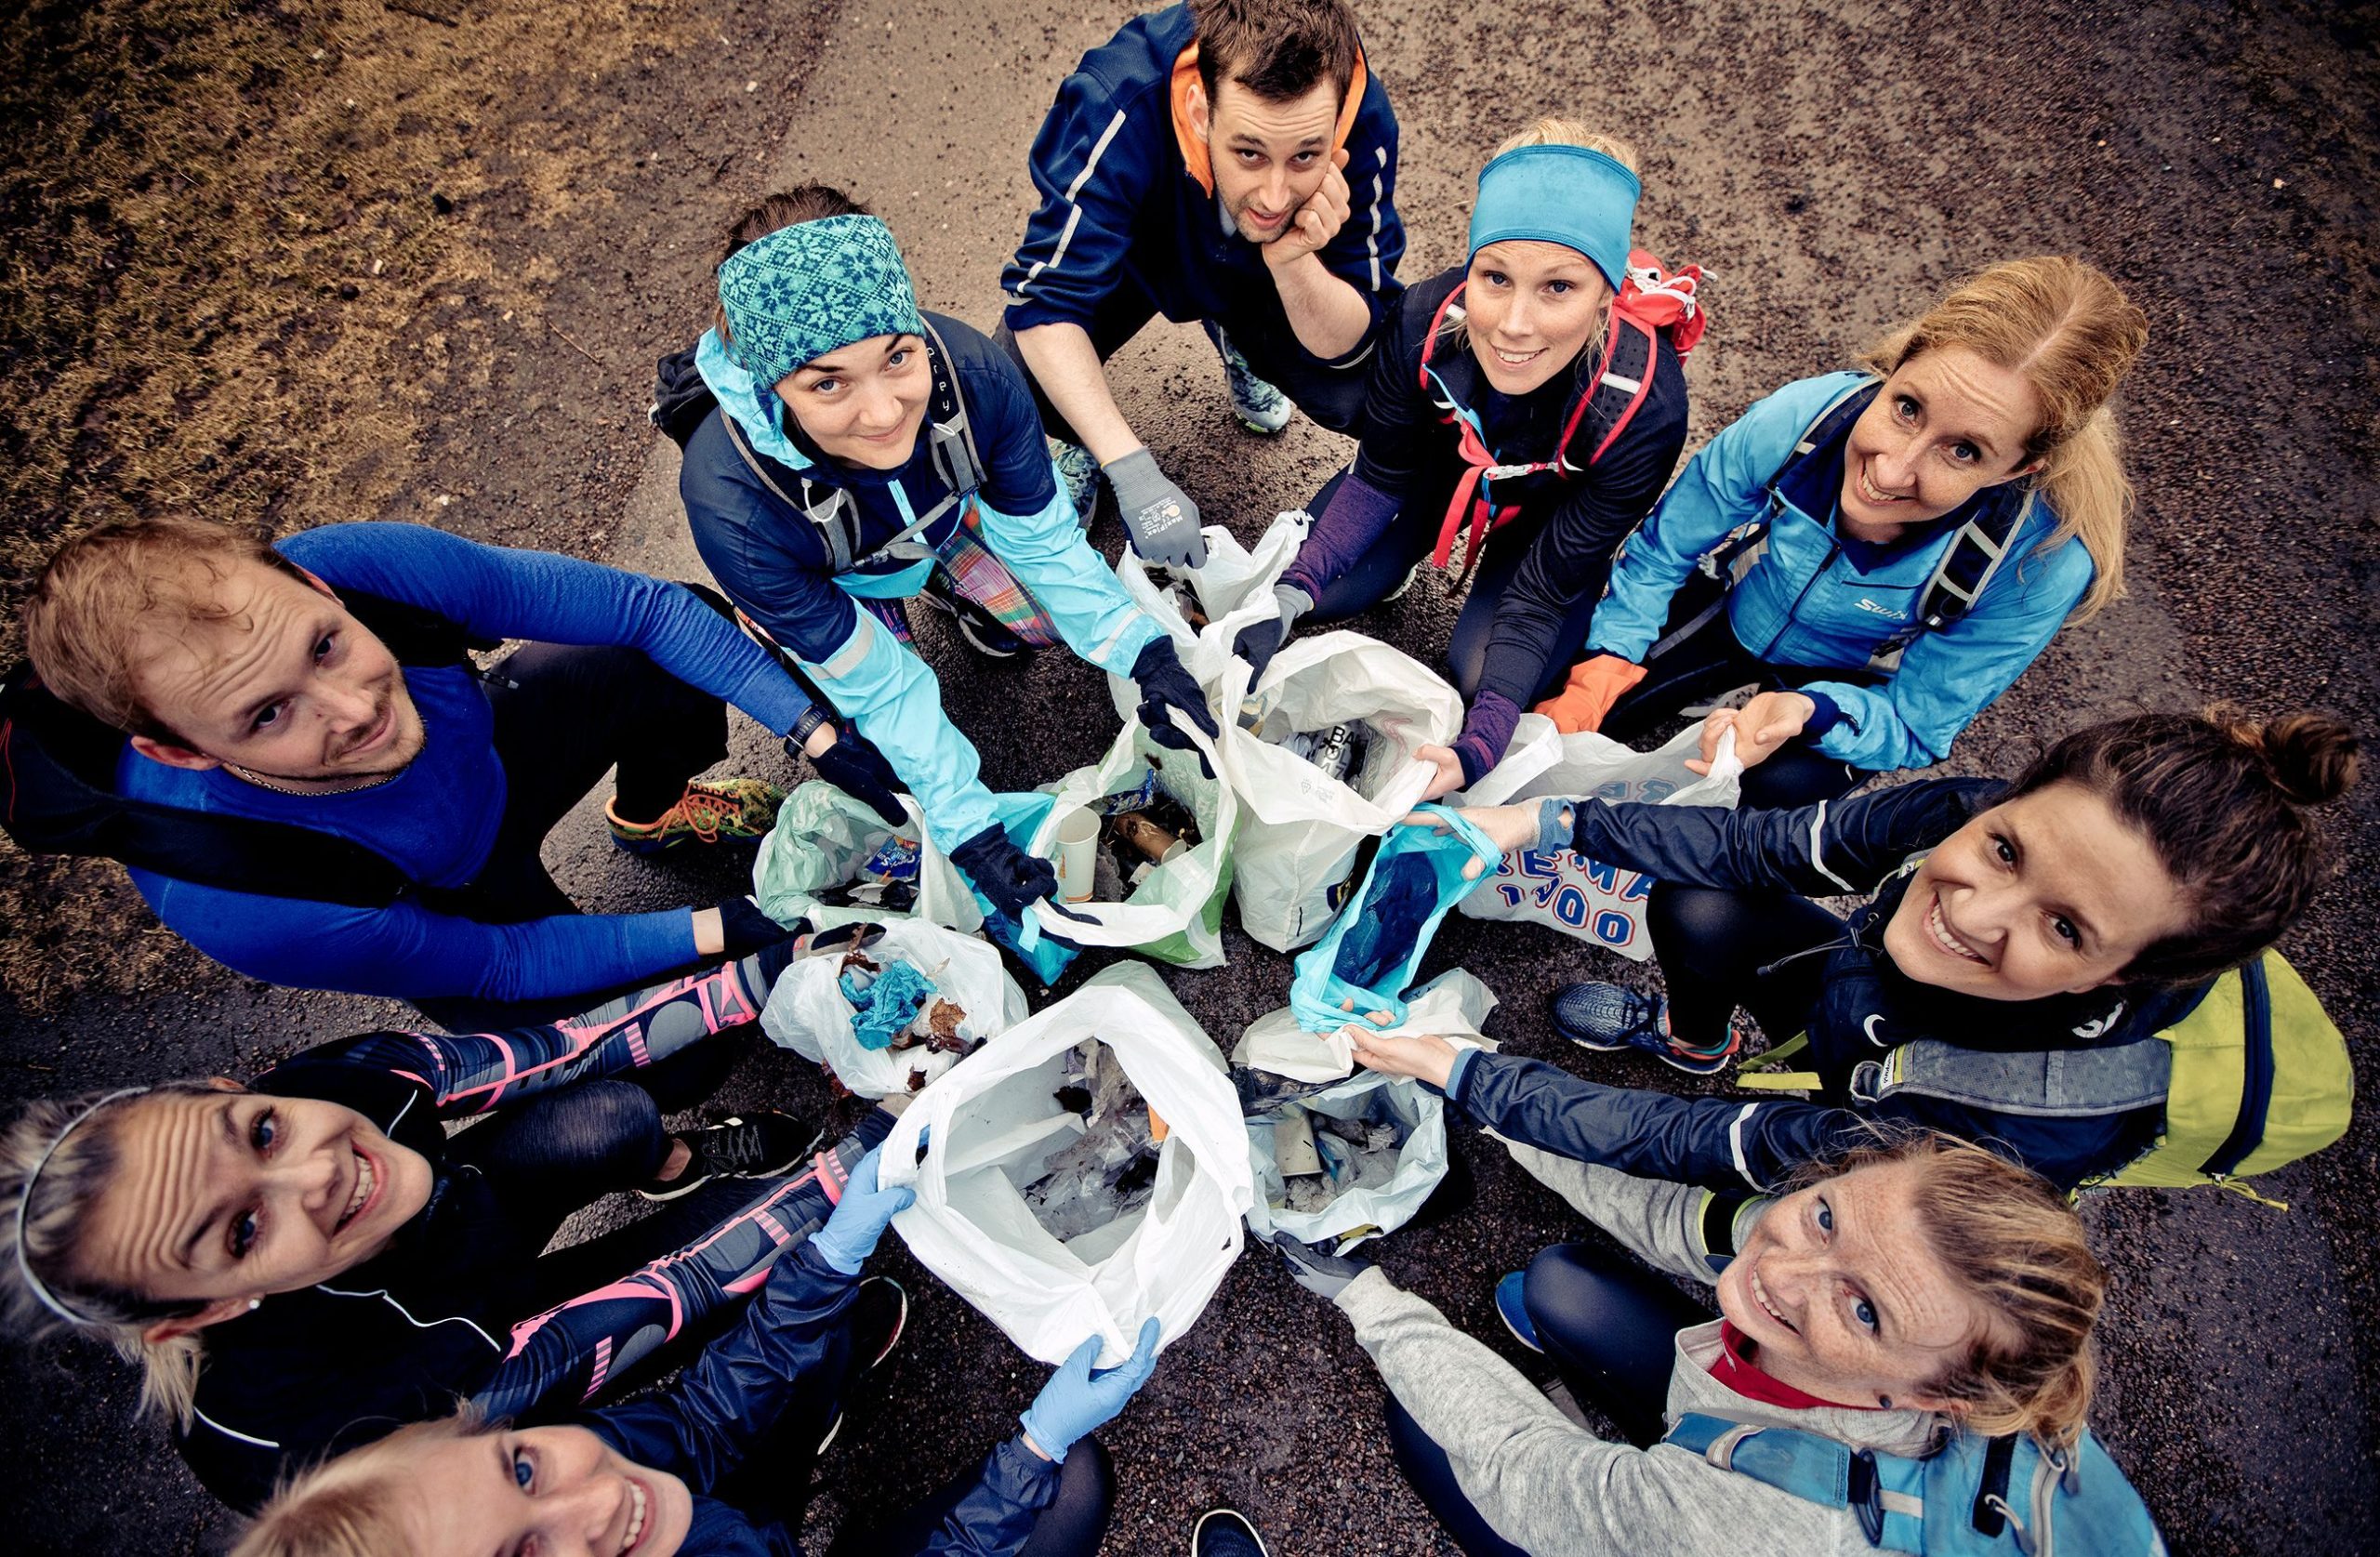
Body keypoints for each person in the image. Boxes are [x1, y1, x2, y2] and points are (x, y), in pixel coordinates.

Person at [0, 942, 894, 1511]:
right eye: (241, 1232)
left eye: (262, 1132)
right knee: (734, 1307)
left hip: (452, 1251)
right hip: (473, 1367)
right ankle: (809, 1388)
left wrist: (785, 964)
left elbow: (564, 1049)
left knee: (613, 1114)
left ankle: (680, 1168)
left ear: (227, 1092)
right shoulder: (294, 1434)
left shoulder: (328, 1080)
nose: (318, 1171)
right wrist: (873, 1155)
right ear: (195, 1317)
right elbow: (649, 1302)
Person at [11, 516, 900, 1030]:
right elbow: (503, 963)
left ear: (319, 589)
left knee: (662, 652)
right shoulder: (238, 898)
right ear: (180, 751)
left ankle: (651, 810)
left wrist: (817, 732)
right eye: (268, 713)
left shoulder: (368, 572)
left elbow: (647, 609)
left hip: (490, 767)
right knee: (673, 1045)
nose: (353, 708)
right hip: (443, 900)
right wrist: (730, 923)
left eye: (326, 645)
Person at [1410, 706, 2358, 1188]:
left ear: (2122, 975)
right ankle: (1698, 1041)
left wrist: (1463, 1072)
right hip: (1865, 1012)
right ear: (2011, 796)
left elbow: (1696, 1138)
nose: (1976, 914)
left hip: (1924, 1098)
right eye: (2004, 849)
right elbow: (1759, 846)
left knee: (1796, 1195)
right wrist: (1544, 818)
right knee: (1706, 900)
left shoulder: (2011, 1127)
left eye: (2062, 927)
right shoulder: (1965, 805)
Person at [668, 186, 1220, 922]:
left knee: (1048, 622)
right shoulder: (732, 503)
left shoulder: (976, 376)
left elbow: (1049, 546)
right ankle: (914, 600)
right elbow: (884, 687)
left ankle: (949, 588)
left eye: (896, 357)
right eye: (826, 382)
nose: (883, 412)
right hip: (838, 581)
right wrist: (968, 825)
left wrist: (1143, 652)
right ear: (774, 385)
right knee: (888, 744)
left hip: (937, 521)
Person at [229, 1145, 1160, 1557]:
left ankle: (814, 1419)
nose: (598, 1498)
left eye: (522, 1465)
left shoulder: (592, 1479)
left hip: (727, 1526)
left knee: (804, 1339)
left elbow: (701, 1416)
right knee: (1069, 1484)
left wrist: (826, 1259)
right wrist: (1030, 1449)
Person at [1275, 1131, 2147, 1556]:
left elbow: (1522, 1468)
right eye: (1825, 1212)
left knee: (1432, 1430)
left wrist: (1368, 1297)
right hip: (1764, 1450)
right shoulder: (1971, 1336)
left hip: (1729, 1519)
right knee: (1563, 1282)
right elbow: (1673, 1217)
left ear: (1929, 1398)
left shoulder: (1759, 1528)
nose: (1787, 1266)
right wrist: (1492, 1098)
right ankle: (1664, 1424)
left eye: (1866, 1311)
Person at [1535, 256, 2148, 809]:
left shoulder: (2037, 565)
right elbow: (1667, 548)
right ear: (1901, 361)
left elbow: (1916, 721)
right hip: (1734, 610)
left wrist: (1813, 710)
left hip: (1846, 682)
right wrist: (1606, 662)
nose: (1890, 469)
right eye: (1907, 407)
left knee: (1774, 798)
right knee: (1545, 705)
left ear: (2019, 468)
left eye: (1962, 451)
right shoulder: (1808, 418)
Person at [1230, 119, 1699, 797]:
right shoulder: (1426, 319)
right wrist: (1288, 593)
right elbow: (1379, 476)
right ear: (1471, 265)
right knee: (1319, 588)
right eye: (1496, 277)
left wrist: (1480, 746)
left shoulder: (1644, 410)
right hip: (1431, 479)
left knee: (1481, 677)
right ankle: (1386, 569)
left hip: (1545, 528)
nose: (1513, 323)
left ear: (1607, 291)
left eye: (1559, 287)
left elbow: (1542, 591)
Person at [997, 0, 1405, 564]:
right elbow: (1044, 302)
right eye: (1249, 152)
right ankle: (1084, 439)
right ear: (1197, 111)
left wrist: (1293, 262)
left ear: (1335, 126)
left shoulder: (1366, 122)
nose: (1274, 196)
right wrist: (1131, 469)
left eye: (1306, 155)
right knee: (1016, 380)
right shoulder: (1119, 95)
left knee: (1380, 383)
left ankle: (1240, 340)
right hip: (1142, 260)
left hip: (1273, 276)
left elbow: (1358, 333)